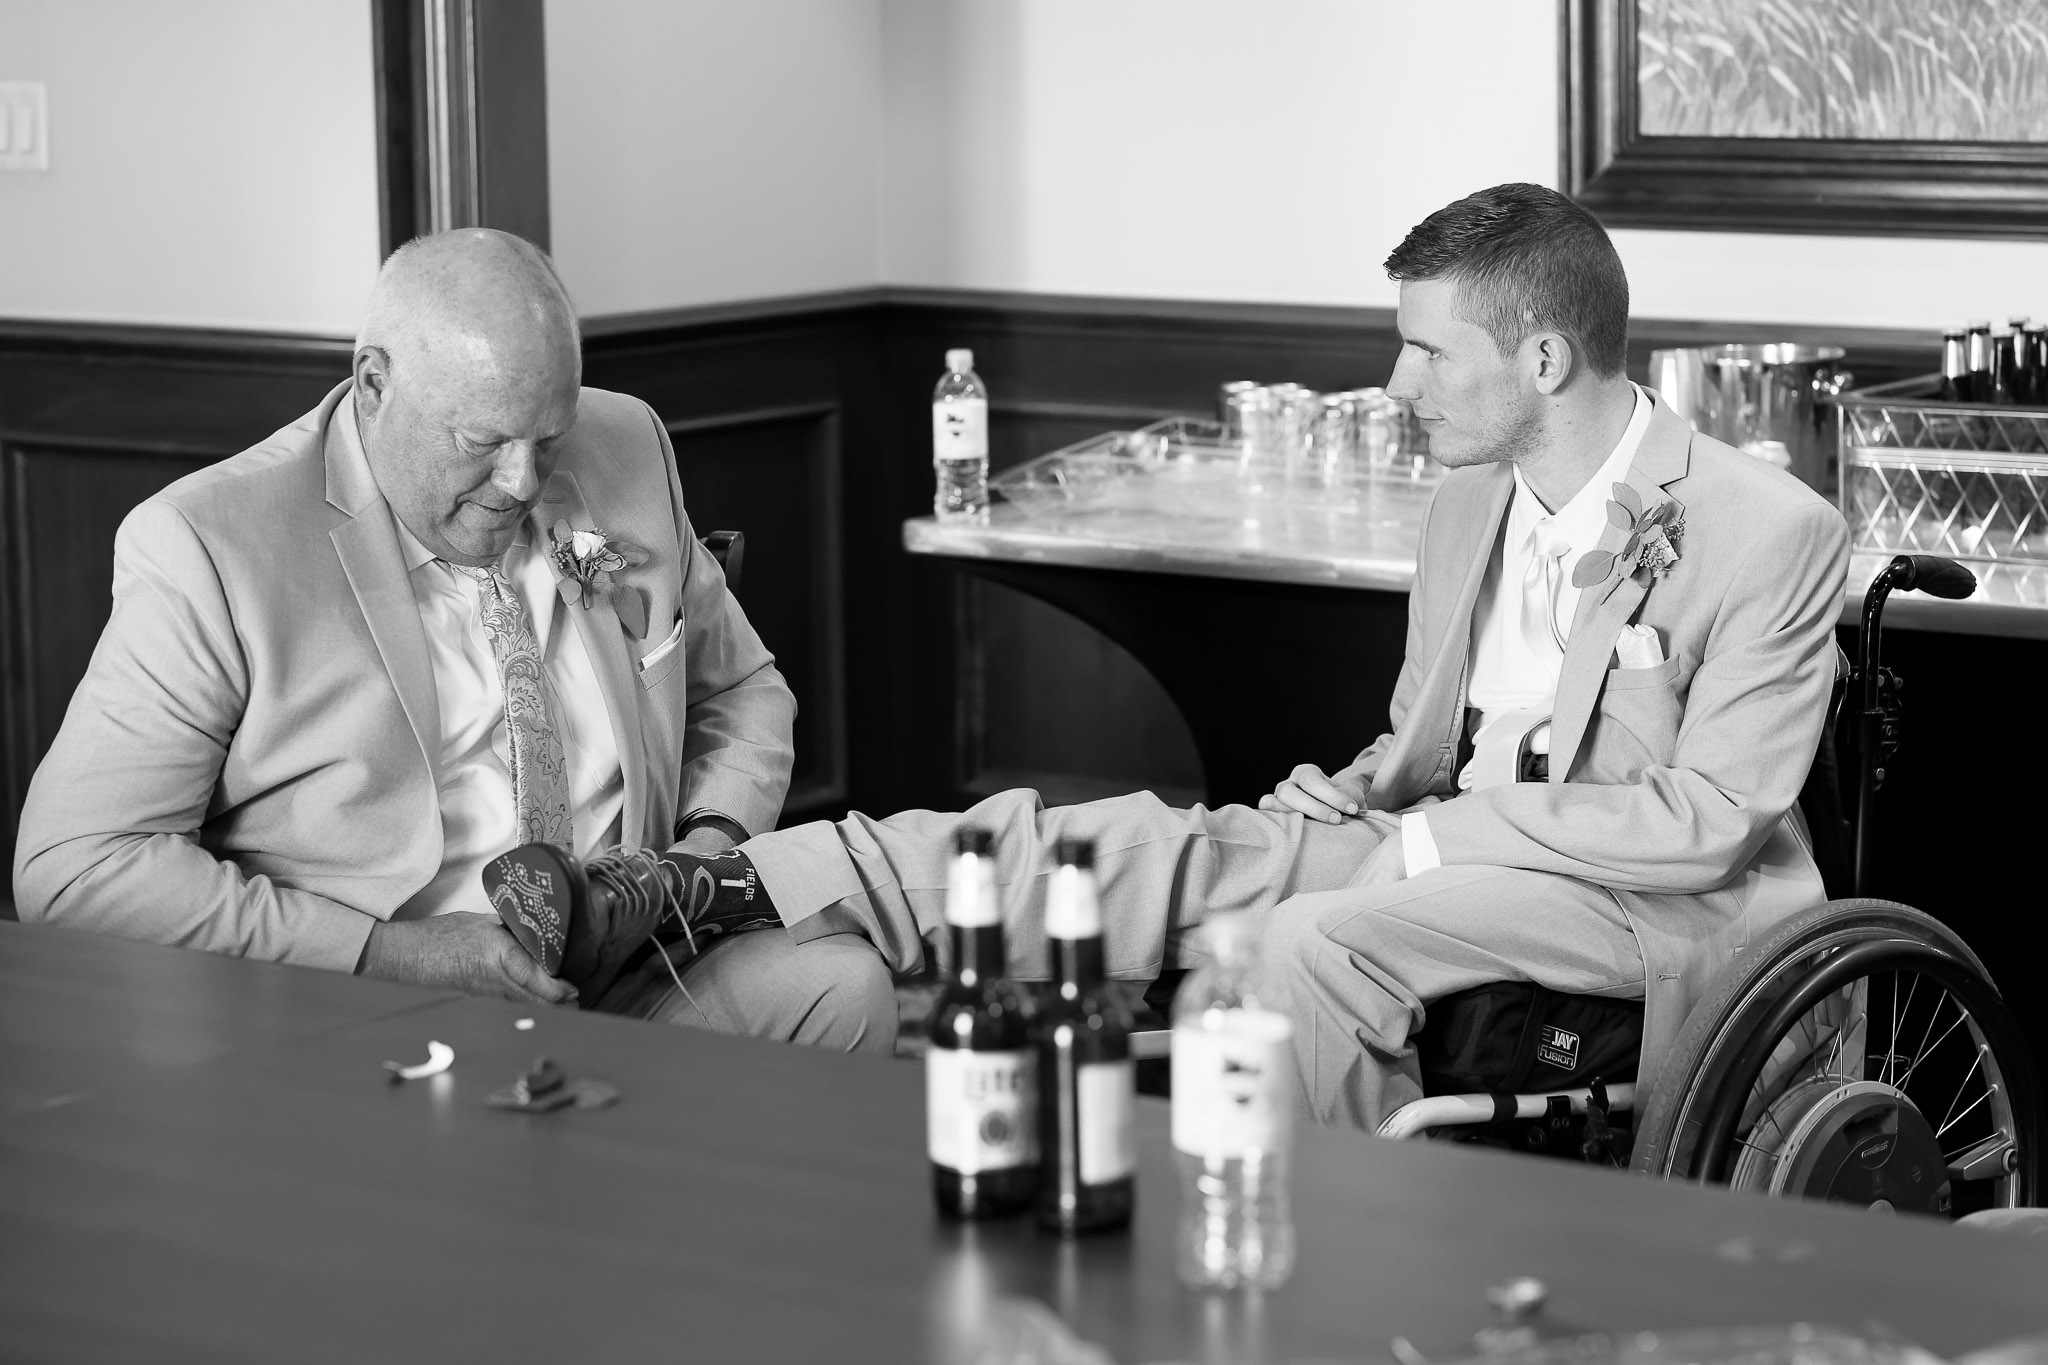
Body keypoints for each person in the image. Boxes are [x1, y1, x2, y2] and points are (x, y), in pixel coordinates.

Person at [560, 183, 1848, 1129]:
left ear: (1544, 359)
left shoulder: (1766, 529)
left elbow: (1706, 823)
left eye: (1425, 350)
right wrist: (1359, 789)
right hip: (1433, 837)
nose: (1394, 384)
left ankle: (1357, 1270)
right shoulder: (1468, 499)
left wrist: (1433, 836)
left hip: (1650, 906)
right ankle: (714, 892)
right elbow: (1424, 749)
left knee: (1304, 942)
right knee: (1118, 843)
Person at [12, 229, 895, 1052]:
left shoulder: (623, 444)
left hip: (640, 958)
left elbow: (741, 691)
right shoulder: (212, 547)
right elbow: (77, 865)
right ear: (373, 386)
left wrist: (693, 865)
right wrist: (391, 953)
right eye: (484, 441)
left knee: (842, 991)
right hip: (370, 1004)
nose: (521, 481)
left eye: (548, 439)